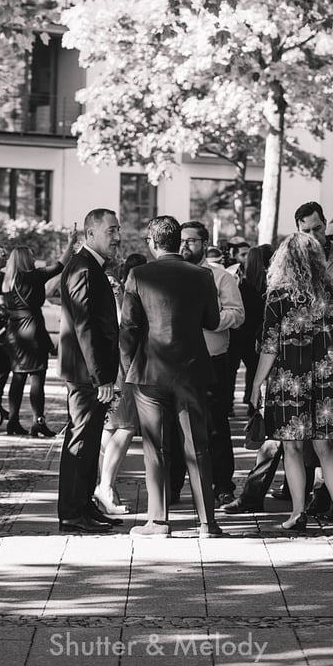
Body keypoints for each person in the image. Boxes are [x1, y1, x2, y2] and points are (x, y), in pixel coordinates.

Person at [121, 215, 225, 539]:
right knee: (198, 445)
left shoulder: (138, 274)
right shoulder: (203, 275)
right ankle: (207, 523)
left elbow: (129, 328)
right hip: (191, 369)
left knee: (156, 447)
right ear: (179, 241)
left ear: (152, 243)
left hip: (150, 371)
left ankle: (158, 521)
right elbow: (212, 320)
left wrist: (127, 369)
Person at [249, 232, 333, 535]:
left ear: (284, 260)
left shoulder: (278, 297)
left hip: (288, 380)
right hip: (327, 379)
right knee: (326, 447)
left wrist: (256, 384)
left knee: (292, 449)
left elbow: (269, 346)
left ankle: (297, 512)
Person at [56, 209, 122, 534]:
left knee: (90, 439)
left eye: (117, 229)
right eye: (111, 230)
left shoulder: (89, 266)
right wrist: (101, 377)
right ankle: (71, 512)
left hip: (88, 371)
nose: (117, 236)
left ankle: (82, 505)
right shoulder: (83, 267)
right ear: (91, 232)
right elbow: (85, 327)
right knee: (81, 441)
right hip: (85, 373)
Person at [176, 220, 244, 505]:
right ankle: (173, 484)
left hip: (213, 359)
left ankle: (222, 484)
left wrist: (213, 320)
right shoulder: (172, 274)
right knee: (177, 424)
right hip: (178, 361)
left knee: (215, 425)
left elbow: (238, 314)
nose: (185, 245)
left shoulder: (220, 277)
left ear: (204, 244)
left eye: (191, 240)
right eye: (182, 240)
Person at [1, 230, 77, 437]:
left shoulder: (7, 280)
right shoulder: (33, 277)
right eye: (32, 255)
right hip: (32, 329)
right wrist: (70, 243)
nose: (35, 258)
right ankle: (38, 422)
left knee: (17, 377)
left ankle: (13, 421)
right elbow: (60, 265)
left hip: (13, 332)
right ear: (26, 259)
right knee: (37, 377)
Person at [93, 252, 147, 517]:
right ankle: (105, 486)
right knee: (125, 427)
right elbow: (121, 326)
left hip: (113, 364)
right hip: (120, 365)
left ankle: (107, 486)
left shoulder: (107, 286)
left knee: (111, 427)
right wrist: (117, 297)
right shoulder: (116, 290)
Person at [228, 244, 269, 417]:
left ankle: (228, 404)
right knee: (254, 370)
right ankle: (252, 404)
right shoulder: (266, 285)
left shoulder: (241, 283)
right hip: (257, 333)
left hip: (239, 332)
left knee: (231, 369)